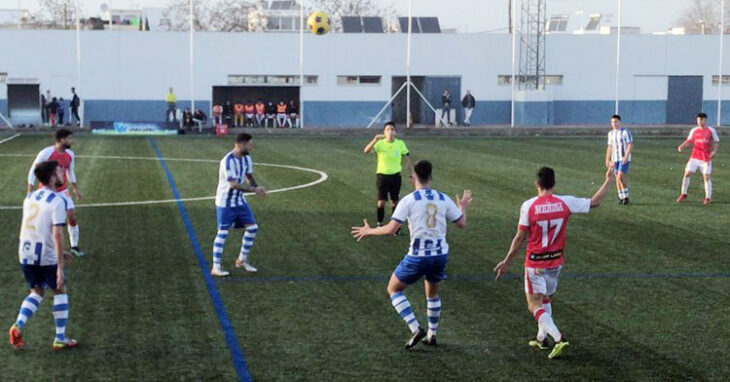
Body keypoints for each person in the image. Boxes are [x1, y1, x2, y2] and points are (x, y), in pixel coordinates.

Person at [493, 166, 613, 359]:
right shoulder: (565, 202)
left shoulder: (529, 205)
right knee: (545, 297)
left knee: (534, 305)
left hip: (536, 263)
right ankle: (542, 338)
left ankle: (558, 337)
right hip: (555, 262)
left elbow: (520, 236)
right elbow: (595, 202)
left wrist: (507, 261)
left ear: (537, 184)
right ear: (554, 184)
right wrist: (608, 180)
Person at [351, 160, 472, 349]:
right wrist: (463, 206)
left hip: (418, 256)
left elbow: (391, 229)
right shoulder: (442, 198)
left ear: (413, 177)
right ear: (431, 177)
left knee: (393, 289)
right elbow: (462, 223)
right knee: (432, 293)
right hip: (440, 255)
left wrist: (369, 231)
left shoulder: (409, 200)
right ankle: (432, 334)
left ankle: (415, 328)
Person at [9, 160, 79, 351]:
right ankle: (60, 338)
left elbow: (38, 228)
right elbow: (56, 234)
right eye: (59, 172)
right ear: (51, 178)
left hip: (25, 251)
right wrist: (60, 266)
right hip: (45, 255)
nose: (62, 175)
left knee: (37, 291)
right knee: (59, 290)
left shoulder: (30, 197)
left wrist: (60, 252)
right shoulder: (58, 201)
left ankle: (18, 326)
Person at [211, 133, 267, 277]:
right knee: (222, 232)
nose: (252, 147)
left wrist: (256, 188)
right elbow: (234, 184)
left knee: (252, 228)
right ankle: (216, 267)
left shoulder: (247, 158)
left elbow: (248, 177)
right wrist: (254, 189)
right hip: (225, 201)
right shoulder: (227, 161)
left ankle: (241, 260)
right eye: (250, 144)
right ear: (241, 144)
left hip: (239, 200)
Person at [27, 129, 85, 258]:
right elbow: (33, 170)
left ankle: (74, 246)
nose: (71, 141)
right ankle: (44, 246)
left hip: (63, 191)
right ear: (61, 139)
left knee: (72, 216)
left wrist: (75, 188)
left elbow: (70, 171)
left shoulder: (70, 154)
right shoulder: (46, 153)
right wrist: (30, 191)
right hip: (47, 191)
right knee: (46, 221)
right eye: (69, 138)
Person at [363, 122, 411, 229]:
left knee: (394, 202)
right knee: (381, 202)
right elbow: (366, 151)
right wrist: (375, 139)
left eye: (392, 129)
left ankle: (395, 226)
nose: (390, 131)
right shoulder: (380, 144)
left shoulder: (400, 144)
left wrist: (410, 173)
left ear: (395, 132)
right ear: (384, 132)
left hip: (395, 176)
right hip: (382, 176)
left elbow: (407, 158)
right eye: (388, 129)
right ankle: (380, 223)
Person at [677, 113, 720, 204]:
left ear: (705, 120)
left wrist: (714, 151)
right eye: (698, 120)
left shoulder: (711, 130)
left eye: (702, 119)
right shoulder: (694, 130)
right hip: (694, 157)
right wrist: (682, 146)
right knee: (687, 174)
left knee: (706, 177)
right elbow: (689, 140)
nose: (700, 121)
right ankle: (683, 193)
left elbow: (716, 141)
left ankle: (708, 197)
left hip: (706, 158)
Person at [604, 114, 634, 205]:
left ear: (620, 122)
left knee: (620, 176)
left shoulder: (625, 132)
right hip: (615, 159)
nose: (614, 124)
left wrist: (626, 156)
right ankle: (621, 197)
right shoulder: (611, 133)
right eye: (612, 122)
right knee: (617, 178)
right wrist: (607, 159)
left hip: (623, 158)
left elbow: (630, 144)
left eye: (616, 121)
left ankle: (626, 196)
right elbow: (610, 147)